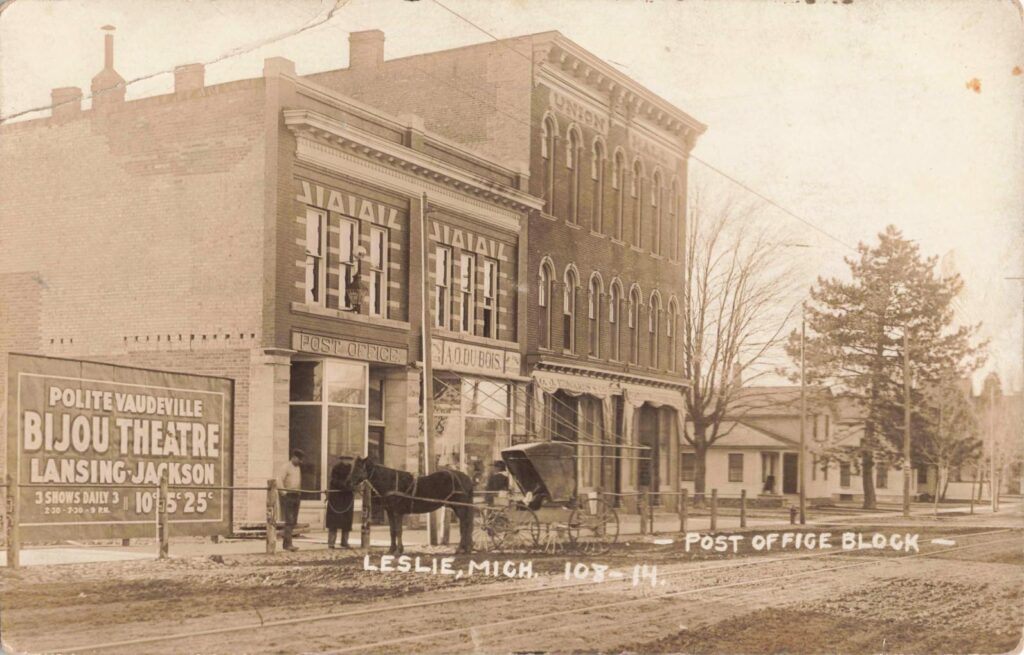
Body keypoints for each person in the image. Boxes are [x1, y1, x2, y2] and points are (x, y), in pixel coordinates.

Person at [278, 449, 304, 552]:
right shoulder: (285, 467)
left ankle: (288, 541)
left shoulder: (298, 468)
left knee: (293, 521)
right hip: (288, 495)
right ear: (294, 457)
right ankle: (287, 544)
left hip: (296, 495)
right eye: (299, 459)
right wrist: (284, 493)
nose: (300, 462)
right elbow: (279, 480)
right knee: (289, 520)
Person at [326, 457, 354, 549]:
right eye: (346, 459)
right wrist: (345, 486)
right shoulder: (336, 468)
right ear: (342, 459)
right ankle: (331, 542)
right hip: (336, 497)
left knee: (346, 521)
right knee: (333, 521)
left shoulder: (352, 469)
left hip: (347, 498)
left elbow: (355, 481)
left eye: (349, 459)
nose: (348, 461)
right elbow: (334, 481)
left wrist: (352, 487)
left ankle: (345, 542)